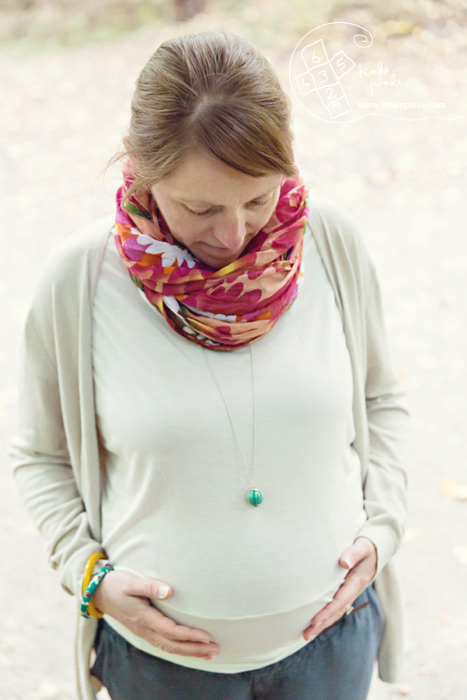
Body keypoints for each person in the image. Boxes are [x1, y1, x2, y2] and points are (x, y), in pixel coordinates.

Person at [10, 30, 410, 700]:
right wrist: (89, 576)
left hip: (332, 648)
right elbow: (39, 455)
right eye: (200, 208)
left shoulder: (331, 242)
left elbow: (380, 400)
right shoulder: (79, 282)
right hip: (161, 669)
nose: (233, 235)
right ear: (142, 166)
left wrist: (382, 532)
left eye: (256, 199)